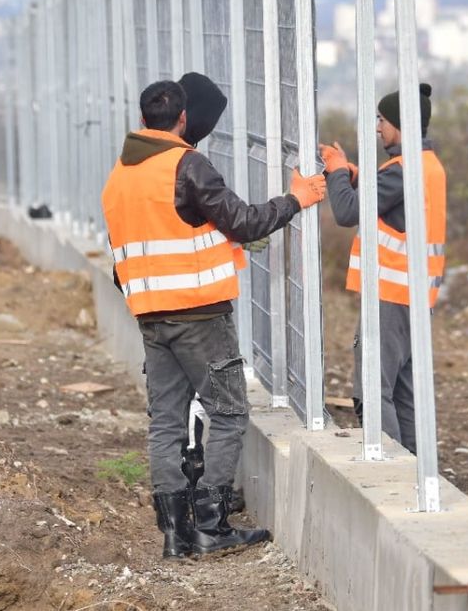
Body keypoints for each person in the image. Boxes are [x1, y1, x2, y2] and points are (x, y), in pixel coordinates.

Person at [100, 73, 327, 559]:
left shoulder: (120, 174)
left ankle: (174, 534)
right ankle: (211, 524)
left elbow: (131, 252)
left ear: (144, 119)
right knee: (228, 413)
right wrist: (297, 199)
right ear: (182, 119)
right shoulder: (187, 164)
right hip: (200, 314)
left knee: (165, 421)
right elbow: (243, 222)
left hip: (150, 315)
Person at [319, 83, 445, 455]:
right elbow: (390, 203)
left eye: (382, 120)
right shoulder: (427, 166)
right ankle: (418, 476)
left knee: (372, 392)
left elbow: (346, 213)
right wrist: (354, 176)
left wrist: (338, 172)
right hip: (415, 297)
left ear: (400, 123)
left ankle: (390, 468)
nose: (378, 128)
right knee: (402, 394)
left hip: (391, 296)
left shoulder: (402, 171)